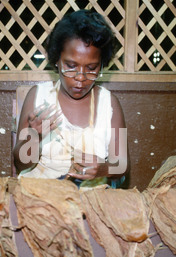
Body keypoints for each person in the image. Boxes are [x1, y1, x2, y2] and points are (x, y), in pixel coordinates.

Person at [12, 9, 128, 188]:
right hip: (40, 197)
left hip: (90, 201)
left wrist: (103, 169)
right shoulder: (38, 97)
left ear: (102, 65)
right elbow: (21, 164)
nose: (80, 77)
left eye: (91, 68)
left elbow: (121, 164)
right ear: (56, 59)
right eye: (71, 66)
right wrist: (33, 137)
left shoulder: (109, 104)